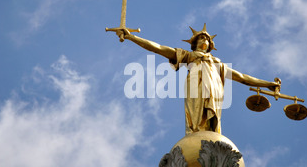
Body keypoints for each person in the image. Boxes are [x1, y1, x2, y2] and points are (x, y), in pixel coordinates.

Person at [112, 24, 280, 135]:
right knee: (196, 121)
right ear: (194, 43)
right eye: (201, 38)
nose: (204, 40)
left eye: (207, 39)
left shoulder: (218, 64)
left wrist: (268, 84)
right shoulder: (189, 56)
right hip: (196, 88)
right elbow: (159, 49)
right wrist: (131, 37)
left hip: (215, 92)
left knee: (212, 124)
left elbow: (243, 78)